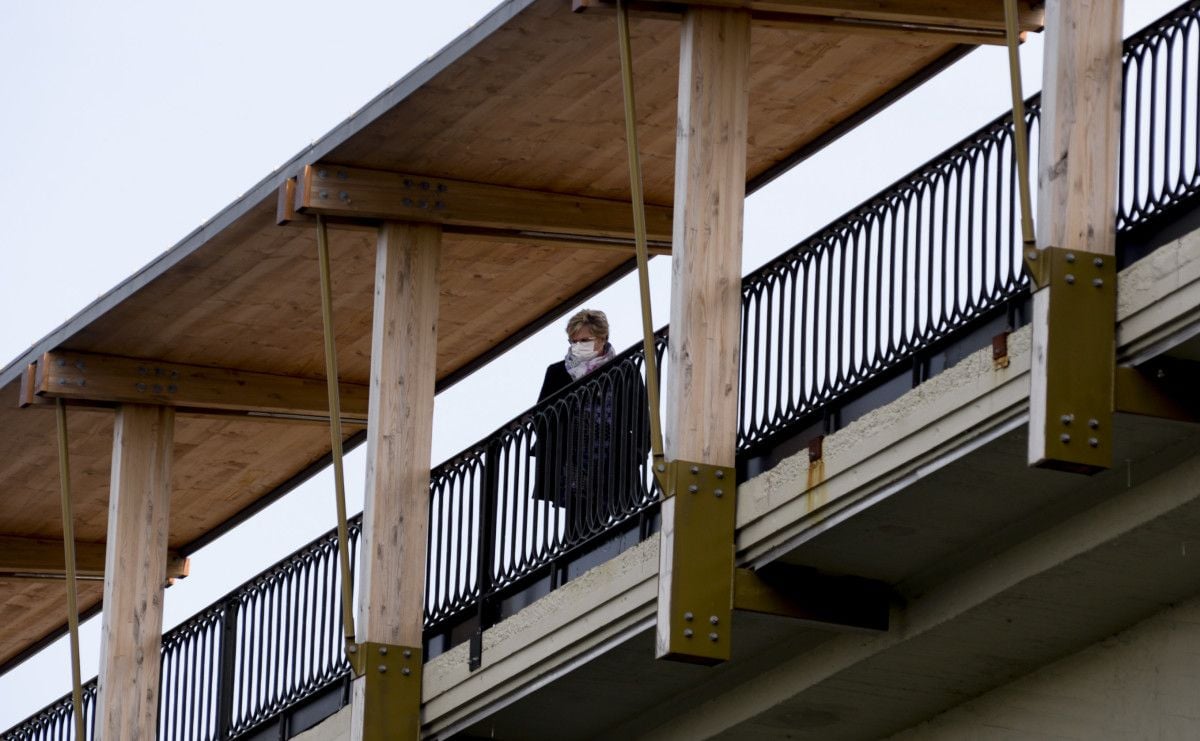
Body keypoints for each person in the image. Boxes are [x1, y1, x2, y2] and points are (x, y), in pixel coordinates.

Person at [533, 309, 650, 542]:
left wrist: (636, 454)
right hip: (576, 462)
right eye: (573, 341)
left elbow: (641, 418)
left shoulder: (624, 369)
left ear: (602, 338)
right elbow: (542, 418)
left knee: (624, 529)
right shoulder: (557, 372)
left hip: (615, 460)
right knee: (579, 530)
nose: (578, 346)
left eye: (584, 340)